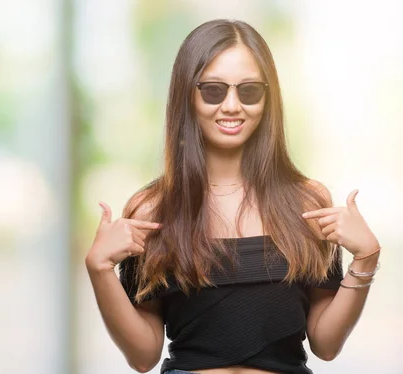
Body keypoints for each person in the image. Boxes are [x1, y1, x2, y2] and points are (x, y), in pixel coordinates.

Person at [84, 19, 381, 374]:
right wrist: (99, 268)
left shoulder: (307, 202)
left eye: (249, 91)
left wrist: (365, 259)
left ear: (267, 98)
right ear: (187, 95)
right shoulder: (153, 208)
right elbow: (143, 355)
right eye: (213, 90)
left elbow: (326, 344)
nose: (231, 106)